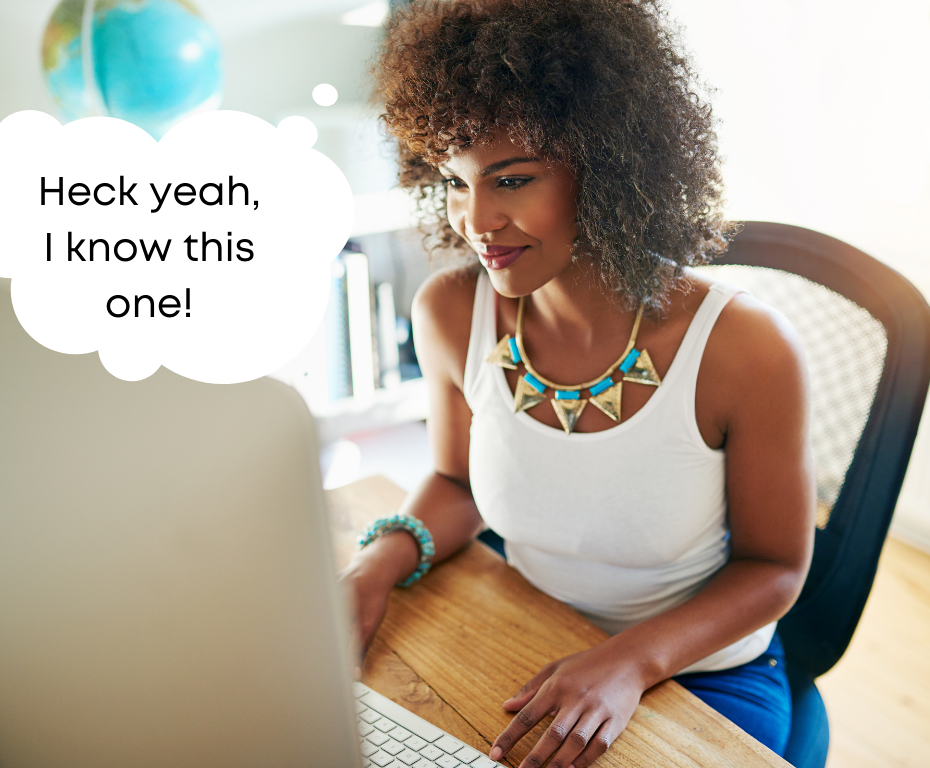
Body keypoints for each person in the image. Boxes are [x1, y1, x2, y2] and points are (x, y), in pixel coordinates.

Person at [341, 1, 816, 765]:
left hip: (700, 673)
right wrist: (373, 566)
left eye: (513, 178)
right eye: (455, 182)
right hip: (527, 631)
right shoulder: (452, 309)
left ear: (609, 161)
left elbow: (775, 568)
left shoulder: (743, 347)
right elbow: (455, 480)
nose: (477, 220)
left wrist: (631, 659)